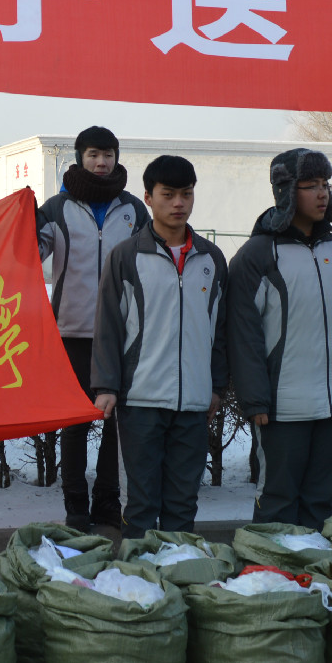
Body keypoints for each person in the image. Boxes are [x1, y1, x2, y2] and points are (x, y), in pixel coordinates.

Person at [228, 148, 332, 529]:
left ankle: (312, 577)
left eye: (326, 184)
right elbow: (243, 334)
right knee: (277, 502)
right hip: (281, 407)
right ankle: (271, 578)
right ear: (286, 191)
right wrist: (255, 397)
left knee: (320, 501)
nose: (322, 194)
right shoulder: (258, 255)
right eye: (310, 186)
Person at [91, 155, 228, 537]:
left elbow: (219, 330)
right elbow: (108, 327)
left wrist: (216, 386)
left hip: (194, 404)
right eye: (168, 195)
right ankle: (140, 581)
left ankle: (179, 574)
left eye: (186, 194)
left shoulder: (212, 259)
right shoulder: (126, 257)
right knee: (140, 501)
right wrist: (106, 386)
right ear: (148, 198)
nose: (178, 203)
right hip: (140, 400)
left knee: (183, 501)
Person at [37, 126, 150, 530]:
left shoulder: (134, 209)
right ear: (79, 157)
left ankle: (107, 502)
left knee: (117, 423)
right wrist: (21, 222)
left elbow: (147, 267)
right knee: (75, 422)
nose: (101, 163)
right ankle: (75, 506)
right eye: (93, 155)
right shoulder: (56, 208)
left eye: (108, 155)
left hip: (121, 334)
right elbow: (33, 253)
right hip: (70, 331)